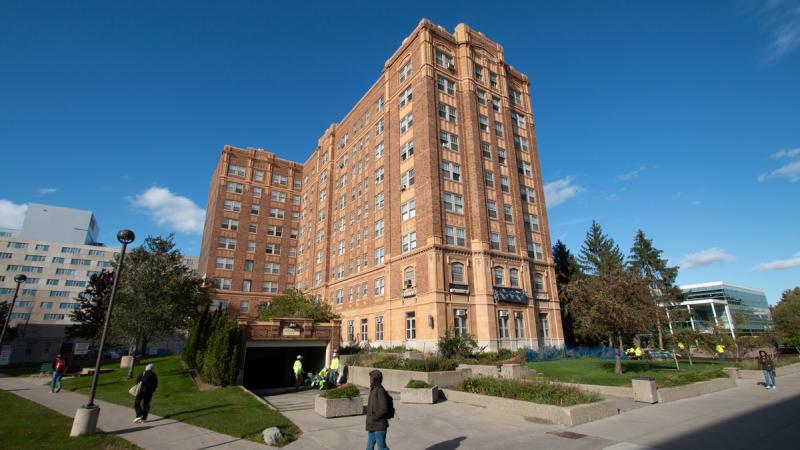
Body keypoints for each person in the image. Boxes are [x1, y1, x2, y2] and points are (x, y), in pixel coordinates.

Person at [366, 369, 393, 450]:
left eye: (371, 378)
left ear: (376, 379)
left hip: (379, 425)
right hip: (372, 425)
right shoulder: (373, 389)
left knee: (382, 447)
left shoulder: (380, 391)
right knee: (369, 447)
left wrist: (375, 416)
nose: (370, 380)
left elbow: (384, 408)